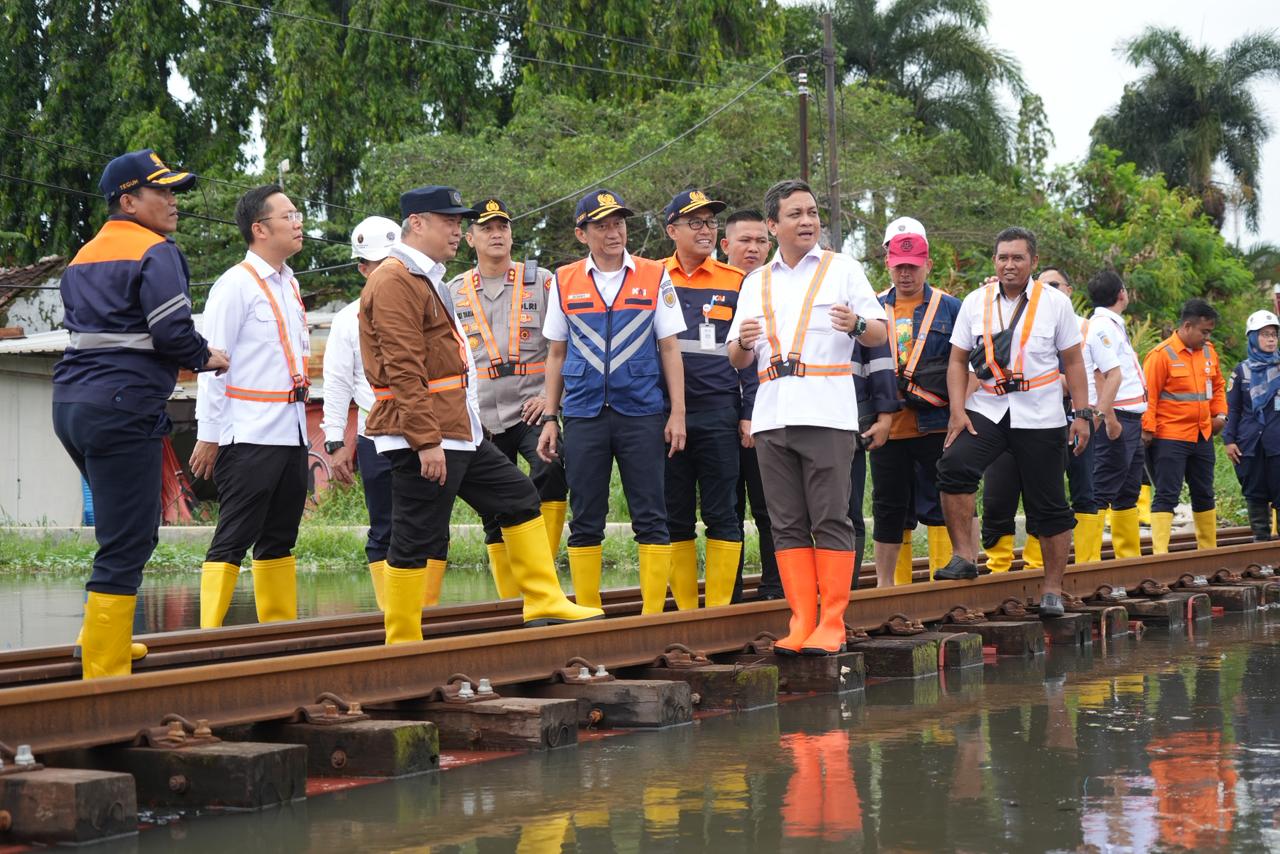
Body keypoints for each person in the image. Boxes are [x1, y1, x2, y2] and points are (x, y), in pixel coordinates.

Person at [360, 185, 601, 643]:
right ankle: (402, 637)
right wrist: (425, 440)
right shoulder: (393, 279)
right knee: (415, 533)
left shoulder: (425, 275)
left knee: (517, 496)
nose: (457, 229)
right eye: (449, 221)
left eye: (457, 221)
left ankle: (543, 599)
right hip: (427, 433)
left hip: (459, 431)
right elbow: (404, 369)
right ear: (417, 223)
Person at [54, 149, 227, 678]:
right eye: (163, 192)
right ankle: (104, 673)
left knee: (123, 528)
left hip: (71, 407)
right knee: (128, 538)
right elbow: (171, 331)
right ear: (128, 201)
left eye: (174, 192)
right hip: (123, 407)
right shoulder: (156, 252)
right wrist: (206, 357)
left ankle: (100, 639)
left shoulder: (82, 255)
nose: (174, 203)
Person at [727, 179, 888, 655]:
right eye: (795, 214)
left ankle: (832, 623)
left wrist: (856, 325)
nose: (807, 221)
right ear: (773, 225)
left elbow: (878, 333)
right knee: (785, 522)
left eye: (812, 212)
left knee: (831, 518)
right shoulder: (756, 282)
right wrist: (743, 342)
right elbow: (736, 358)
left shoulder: (843, 270)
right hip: (772, 415)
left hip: (828, 412)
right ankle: (801, 621)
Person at [537, 189, 688, 614]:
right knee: (585, 517)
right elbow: (556, 353)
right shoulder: (563, 280)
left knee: (651, 514)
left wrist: (677, 413)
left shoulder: (654, 274)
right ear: (581, 233)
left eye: (619, 222)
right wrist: (551, 417)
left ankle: (652, 616)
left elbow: (670, 348)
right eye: (602, 225)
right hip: (583, 413)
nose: (613, 231)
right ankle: (589, 612)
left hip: (642, 411)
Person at [934, 227, 1091, 617]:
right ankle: (963, 556)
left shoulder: (1055, 303)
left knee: (1050, 503)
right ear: (995, 261)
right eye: (1003, 257)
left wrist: (1084, 414)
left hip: (1041, 413)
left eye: (1018, 257)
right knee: (954, 465)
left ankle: (1052, 587)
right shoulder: (975, 301)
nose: (1009, 264)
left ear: (1033, 262)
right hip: (989, 407)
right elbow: (957, 360)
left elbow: (1073, 362)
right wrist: (957, 410)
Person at [192, 185, 309, 629]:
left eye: (298, 214)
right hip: (249, 434)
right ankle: (206, 635)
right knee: (234, 535)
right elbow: (211, 364)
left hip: (291, 430)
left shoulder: (291, 282)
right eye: (289, 215)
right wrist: (209, 434)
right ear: (260, 229)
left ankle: (277, 633)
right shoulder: (234, 285)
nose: (299, 222)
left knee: (281, 536)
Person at [446, 198, 567, 599]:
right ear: (470, 239)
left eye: (503, 227)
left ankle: (542, 572)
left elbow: (562, 347)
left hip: (532, 408)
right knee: (492, 504)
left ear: (512, 234)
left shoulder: (543, 281)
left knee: (550, 468)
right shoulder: (452, 291)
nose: (497, 234)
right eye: (487, 228)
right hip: (481, 415)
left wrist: (553, 405)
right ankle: (509, 597)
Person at [979, 268, 1120, 568]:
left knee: (1075, 492)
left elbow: (1103, 374)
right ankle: (1003, 568)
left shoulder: (1087, 328)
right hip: (1020, 417)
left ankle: (1082, 565)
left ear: (1069, 290)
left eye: (1055, 284)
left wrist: (1098, 414)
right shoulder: (1016, 320)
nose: (1048, 290)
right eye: (1042, 285)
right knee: (1002, 493)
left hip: (1074, 419)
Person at [661, 189, 744, 609]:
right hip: (664, 417)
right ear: (671, 229)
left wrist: (746, 413)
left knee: (722, 512)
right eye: (695, 222)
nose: (706, 229)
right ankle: (686, 614)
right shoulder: (653, 276)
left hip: (719, 412)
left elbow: (751, 354)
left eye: (710, 222)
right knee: (673, 514)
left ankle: (717, 612)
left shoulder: (736, 281)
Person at [865, 220, 960, 587]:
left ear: (927, 265)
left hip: (936, 422)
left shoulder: (951, 308)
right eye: (899, 266)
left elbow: (965, 363)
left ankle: (943, 584)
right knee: (888, 509)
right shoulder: (871, 308)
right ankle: (888, 589)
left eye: (913, 266)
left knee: (942, 503)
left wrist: (960, 413)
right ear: (888, 264)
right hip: (887, 426)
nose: (906, 273)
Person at [321, 216, 400, 611]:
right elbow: (335, 384)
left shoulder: (428, 301)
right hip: (376, 436)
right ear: (362, 269)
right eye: (375, 264)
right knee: (383, 527)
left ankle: (428, 614)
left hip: (427, 435)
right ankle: (392, 618)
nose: (384, 270)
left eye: (391, 261)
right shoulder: (345, 319)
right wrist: (335, 442)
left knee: (428, 526)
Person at [721, 210, 779, 600]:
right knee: (725, 509)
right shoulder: (712, 288)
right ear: (726, 245)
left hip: (768, 414)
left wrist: (752, 412)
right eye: (745, 240)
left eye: (761, 241)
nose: (753, 248)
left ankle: (776, 586)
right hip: (717, 415)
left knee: (770, 506)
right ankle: (731, 591)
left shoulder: (779, 286)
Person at [1142, 299, 1227, 552]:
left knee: (1204, 493)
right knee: (1167, 494)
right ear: (1187, 326)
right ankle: (1161, 554)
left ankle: (1207, 551)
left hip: (1203, 435)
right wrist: (1147, 431)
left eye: (1209, 332)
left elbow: (1219, 386)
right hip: (1170, 437)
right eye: (1204, 331)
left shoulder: (1210, 353)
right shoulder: (1161, 355)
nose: (1207, 337)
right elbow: (1149, 396)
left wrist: (1221, 414)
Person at [1085, 270, 1149, 559]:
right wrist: (1108, 418)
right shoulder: (1103, 326)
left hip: (1131, 418)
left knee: (1127, 490)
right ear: (1121, 294)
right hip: (1118, 417)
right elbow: (1100, 374)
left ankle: (1127, 559)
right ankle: (1089, 560)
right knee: (1103, 487)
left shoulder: (1111, 324)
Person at [1224, 310, 1280, 541]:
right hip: (1249, 445)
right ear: (1252, 338)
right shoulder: (1241, 371)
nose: (1270, 340)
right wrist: (1229, 440)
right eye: (1265, 334)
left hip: (1277, 444)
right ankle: (1261, 543)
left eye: (1274, 335)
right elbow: (1233, 409)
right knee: (1255, 493)